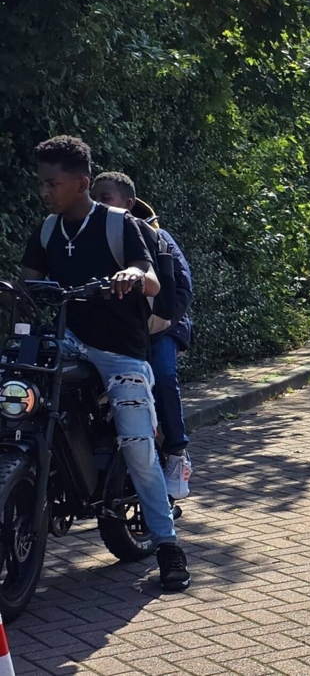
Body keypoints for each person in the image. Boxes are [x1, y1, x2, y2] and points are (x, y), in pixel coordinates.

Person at [22, 136, 190, 590]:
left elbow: (152, 280)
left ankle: (168, 544)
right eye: (41, 183)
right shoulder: (46, 231)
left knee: (137, 444)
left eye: (52, 184)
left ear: (81, 183)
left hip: (119, 349)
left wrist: (133, 275)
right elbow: (28, 286)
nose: (44, 192)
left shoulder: (119, 225)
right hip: (66, 342)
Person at [92, 172, 195, 500]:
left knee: (163, 375)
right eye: (94, 198)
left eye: (104, 198)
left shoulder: (158, 237)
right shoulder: (91, 239)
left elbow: (182, 288)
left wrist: (159, 324)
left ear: (128, 203)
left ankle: (178, 455)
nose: (97, 204)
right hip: (120, 331)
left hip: (162, 326)